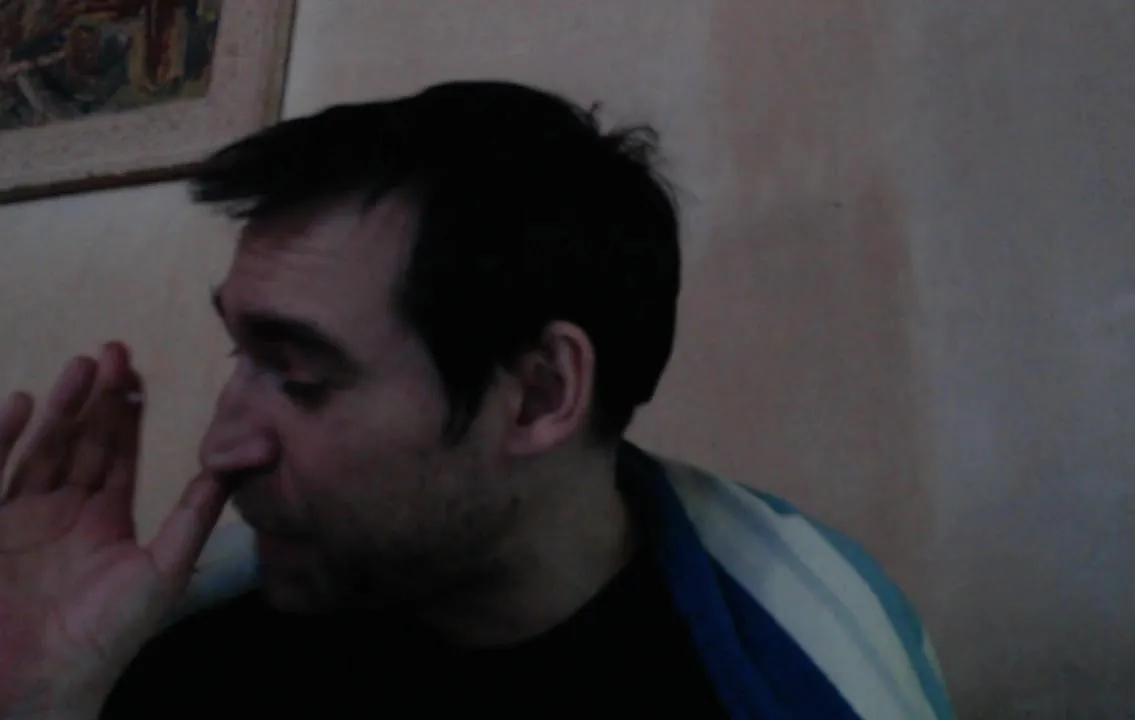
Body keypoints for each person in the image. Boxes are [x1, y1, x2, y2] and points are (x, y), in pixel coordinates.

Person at [0, 81, 952, 719]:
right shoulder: (194, 667)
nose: (221, 446)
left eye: (299, 375)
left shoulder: (785, 682)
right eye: (237, 352)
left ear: (539, 394)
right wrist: (42, 699)